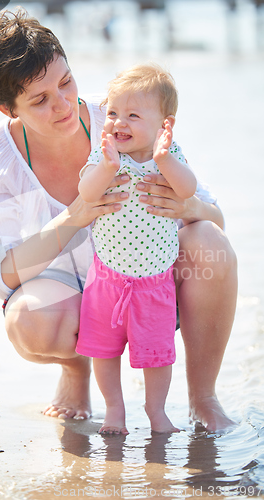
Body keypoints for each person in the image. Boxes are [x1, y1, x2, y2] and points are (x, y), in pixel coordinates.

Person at [0, 9, 237, 431]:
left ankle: (203, 398)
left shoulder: (124, 121)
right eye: (39, 100)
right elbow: (1, 274)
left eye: (66, 82)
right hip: (73, 295)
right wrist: (73, 218)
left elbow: (214, 216)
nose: (63, 105)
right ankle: (76, 372)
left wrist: (191, 209)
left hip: (150, 278)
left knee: (212, 247)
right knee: (30, 320)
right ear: (7, 109)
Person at [76, 64, 197, 435]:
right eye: (112, 113)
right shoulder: (106, 157)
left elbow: (188, 189)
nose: (118, 123)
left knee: (158, 355)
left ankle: (155, 410)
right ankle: (114, 409)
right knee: (103, 350)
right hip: (107, 280)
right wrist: (107, 166)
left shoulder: (170, 154)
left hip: (155, 284)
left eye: (132, 115)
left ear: (165, 126)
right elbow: (86, 192)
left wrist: (164, 160)